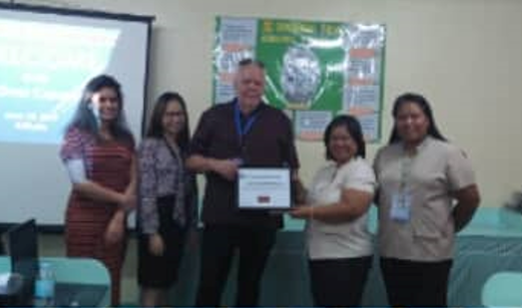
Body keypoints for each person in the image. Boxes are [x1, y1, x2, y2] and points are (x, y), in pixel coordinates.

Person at [187, 58, 300, 307]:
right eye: (246, 81)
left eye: (257, 83)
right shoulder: (213, 116)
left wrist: (287, 195)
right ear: (235, 83)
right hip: (220, 216)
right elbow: (191, 161)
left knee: (250, 288)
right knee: (209, 285)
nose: (252, 87)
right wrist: (217, 165)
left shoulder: (279, 120)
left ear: (264, 87)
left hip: (261, 220)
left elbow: (291, 168)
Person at [374, 92, 481, 307]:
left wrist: (449, 227)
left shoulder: (448, 153)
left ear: (427, 119)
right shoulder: (384, 154)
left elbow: (470, 199)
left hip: (431, 253)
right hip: (392, 249)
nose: (408, 122)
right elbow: (379, 196)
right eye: (402, 117)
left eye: (415, 116)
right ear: (395, 121)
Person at [59, 74, 136, 306]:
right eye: (102, 99)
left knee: (111, 281)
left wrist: (120, 215)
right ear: (89, 102)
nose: (109, 105)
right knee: (82, 286)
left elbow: (135, 178)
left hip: (116, 220)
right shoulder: (76, 134)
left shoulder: (125, 138)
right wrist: (121, 199)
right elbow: (80, 183)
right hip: (83, 221)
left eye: (113, 100)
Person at [290, 115, 376, 307]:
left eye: (345, 138)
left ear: (357, 141)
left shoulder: (360, 170)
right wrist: (294, 180)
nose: (339, 143)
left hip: (347, 258)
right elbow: (308, 200)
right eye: (333, 139)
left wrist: (308, 212)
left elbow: (352, 209)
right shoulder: (325, 171)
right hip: (321, 254)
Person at [137, 92, 198, 306]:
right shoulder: (150, 145)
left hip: (178, 221)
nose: (175, 119)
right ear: (159, 117)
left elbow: (192, 190)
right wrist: (152, 232)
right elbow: (146, 190)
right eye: (169, 114)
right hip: (158, 218)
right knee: (152, 283)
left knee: (167, 282)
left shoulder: (185, 147)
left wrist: (191, 227)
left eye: (179, 114)